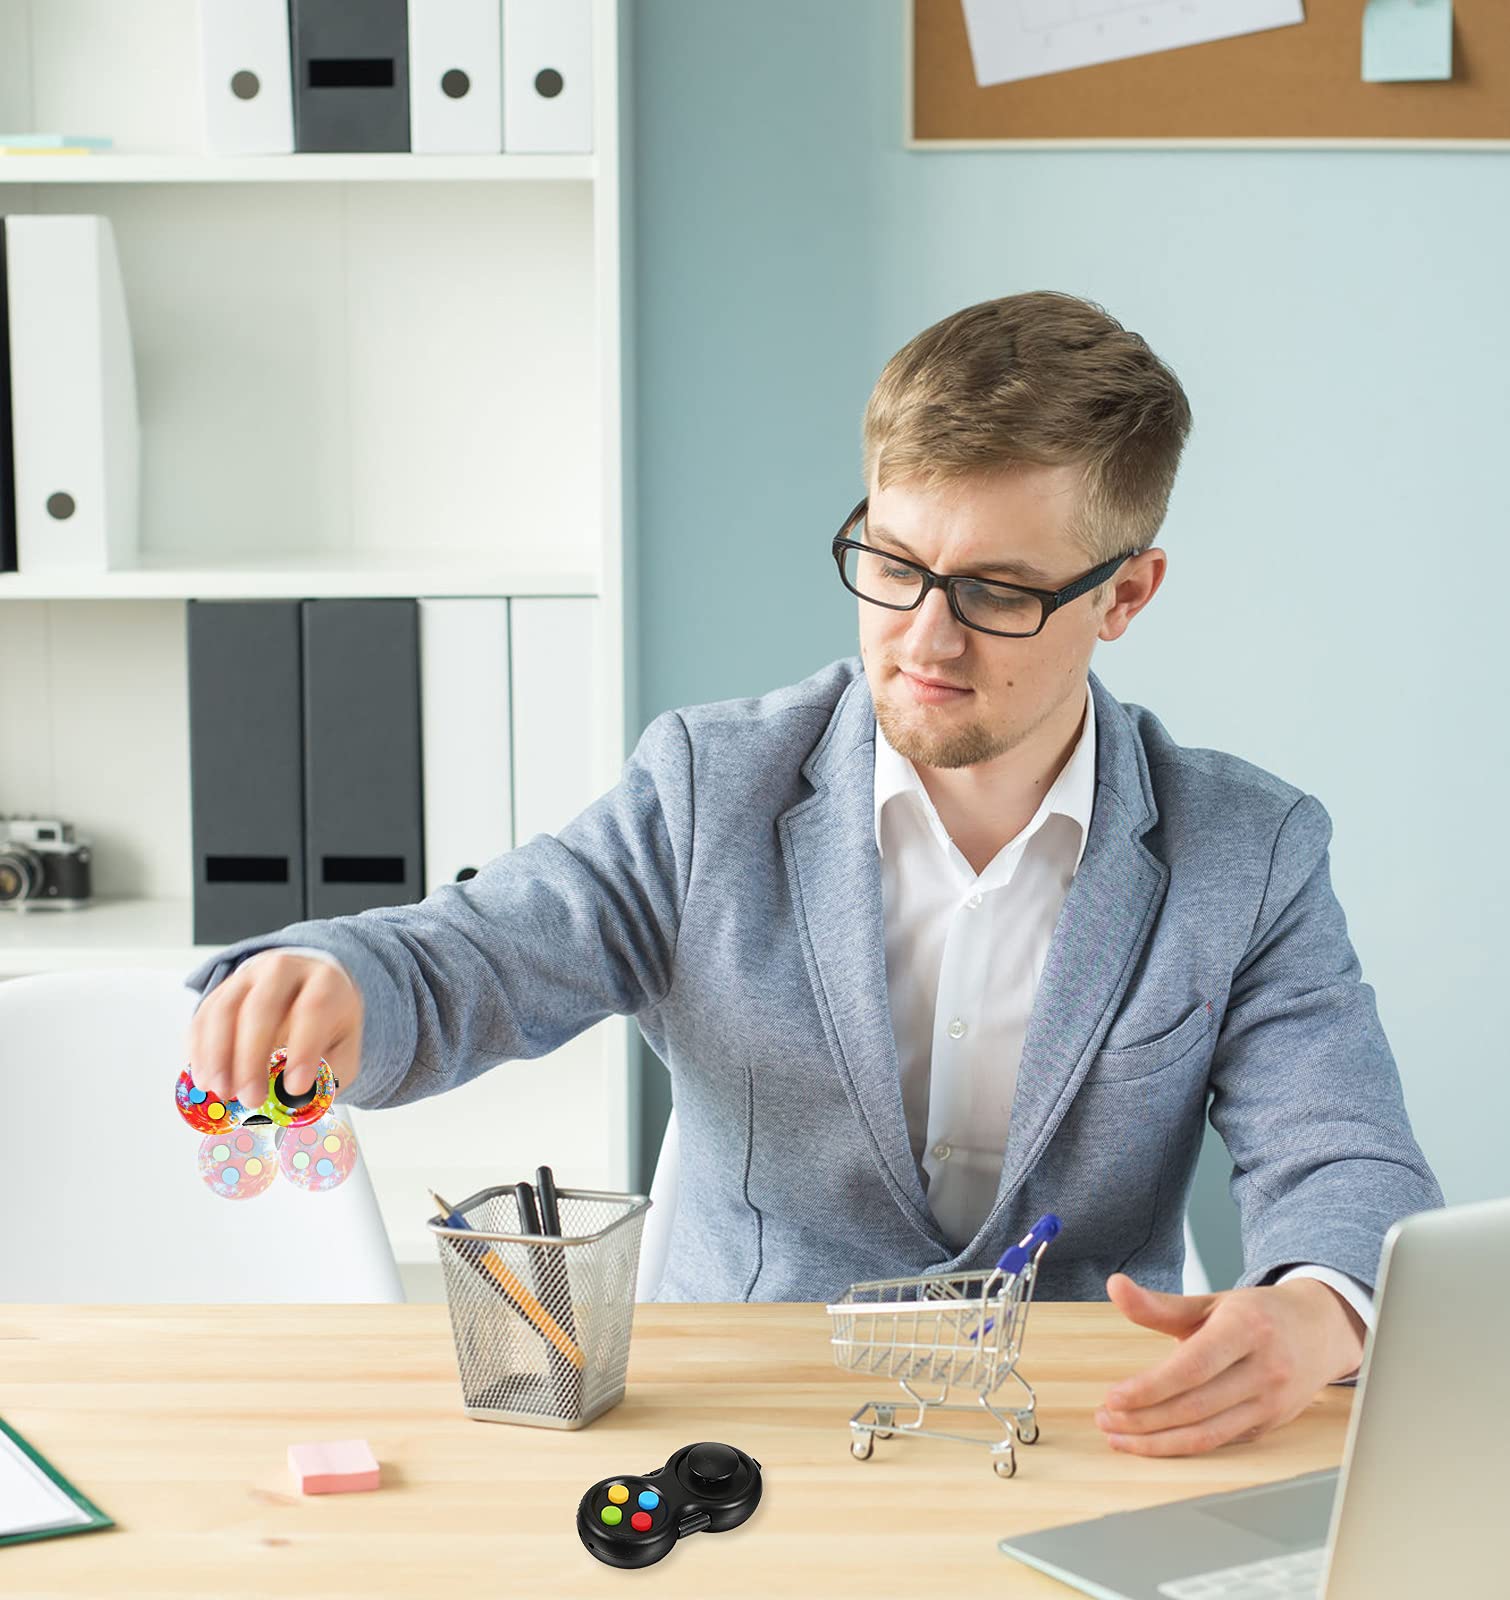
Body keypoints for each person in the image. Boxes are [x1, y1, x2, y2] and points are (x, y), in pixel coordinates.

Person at [185, 289, 1442, 1459]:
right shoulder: (709, 787)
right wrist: (333, 974)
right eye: (893, 564)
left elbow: (1345, 1157)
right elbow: (477, 950)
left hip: (1082, 1425)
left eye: (997, 591)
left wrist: (1325, 1307)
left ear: (1125, 595)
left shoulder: (1247, 848)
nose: (924, 638)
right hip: (741, 1419)